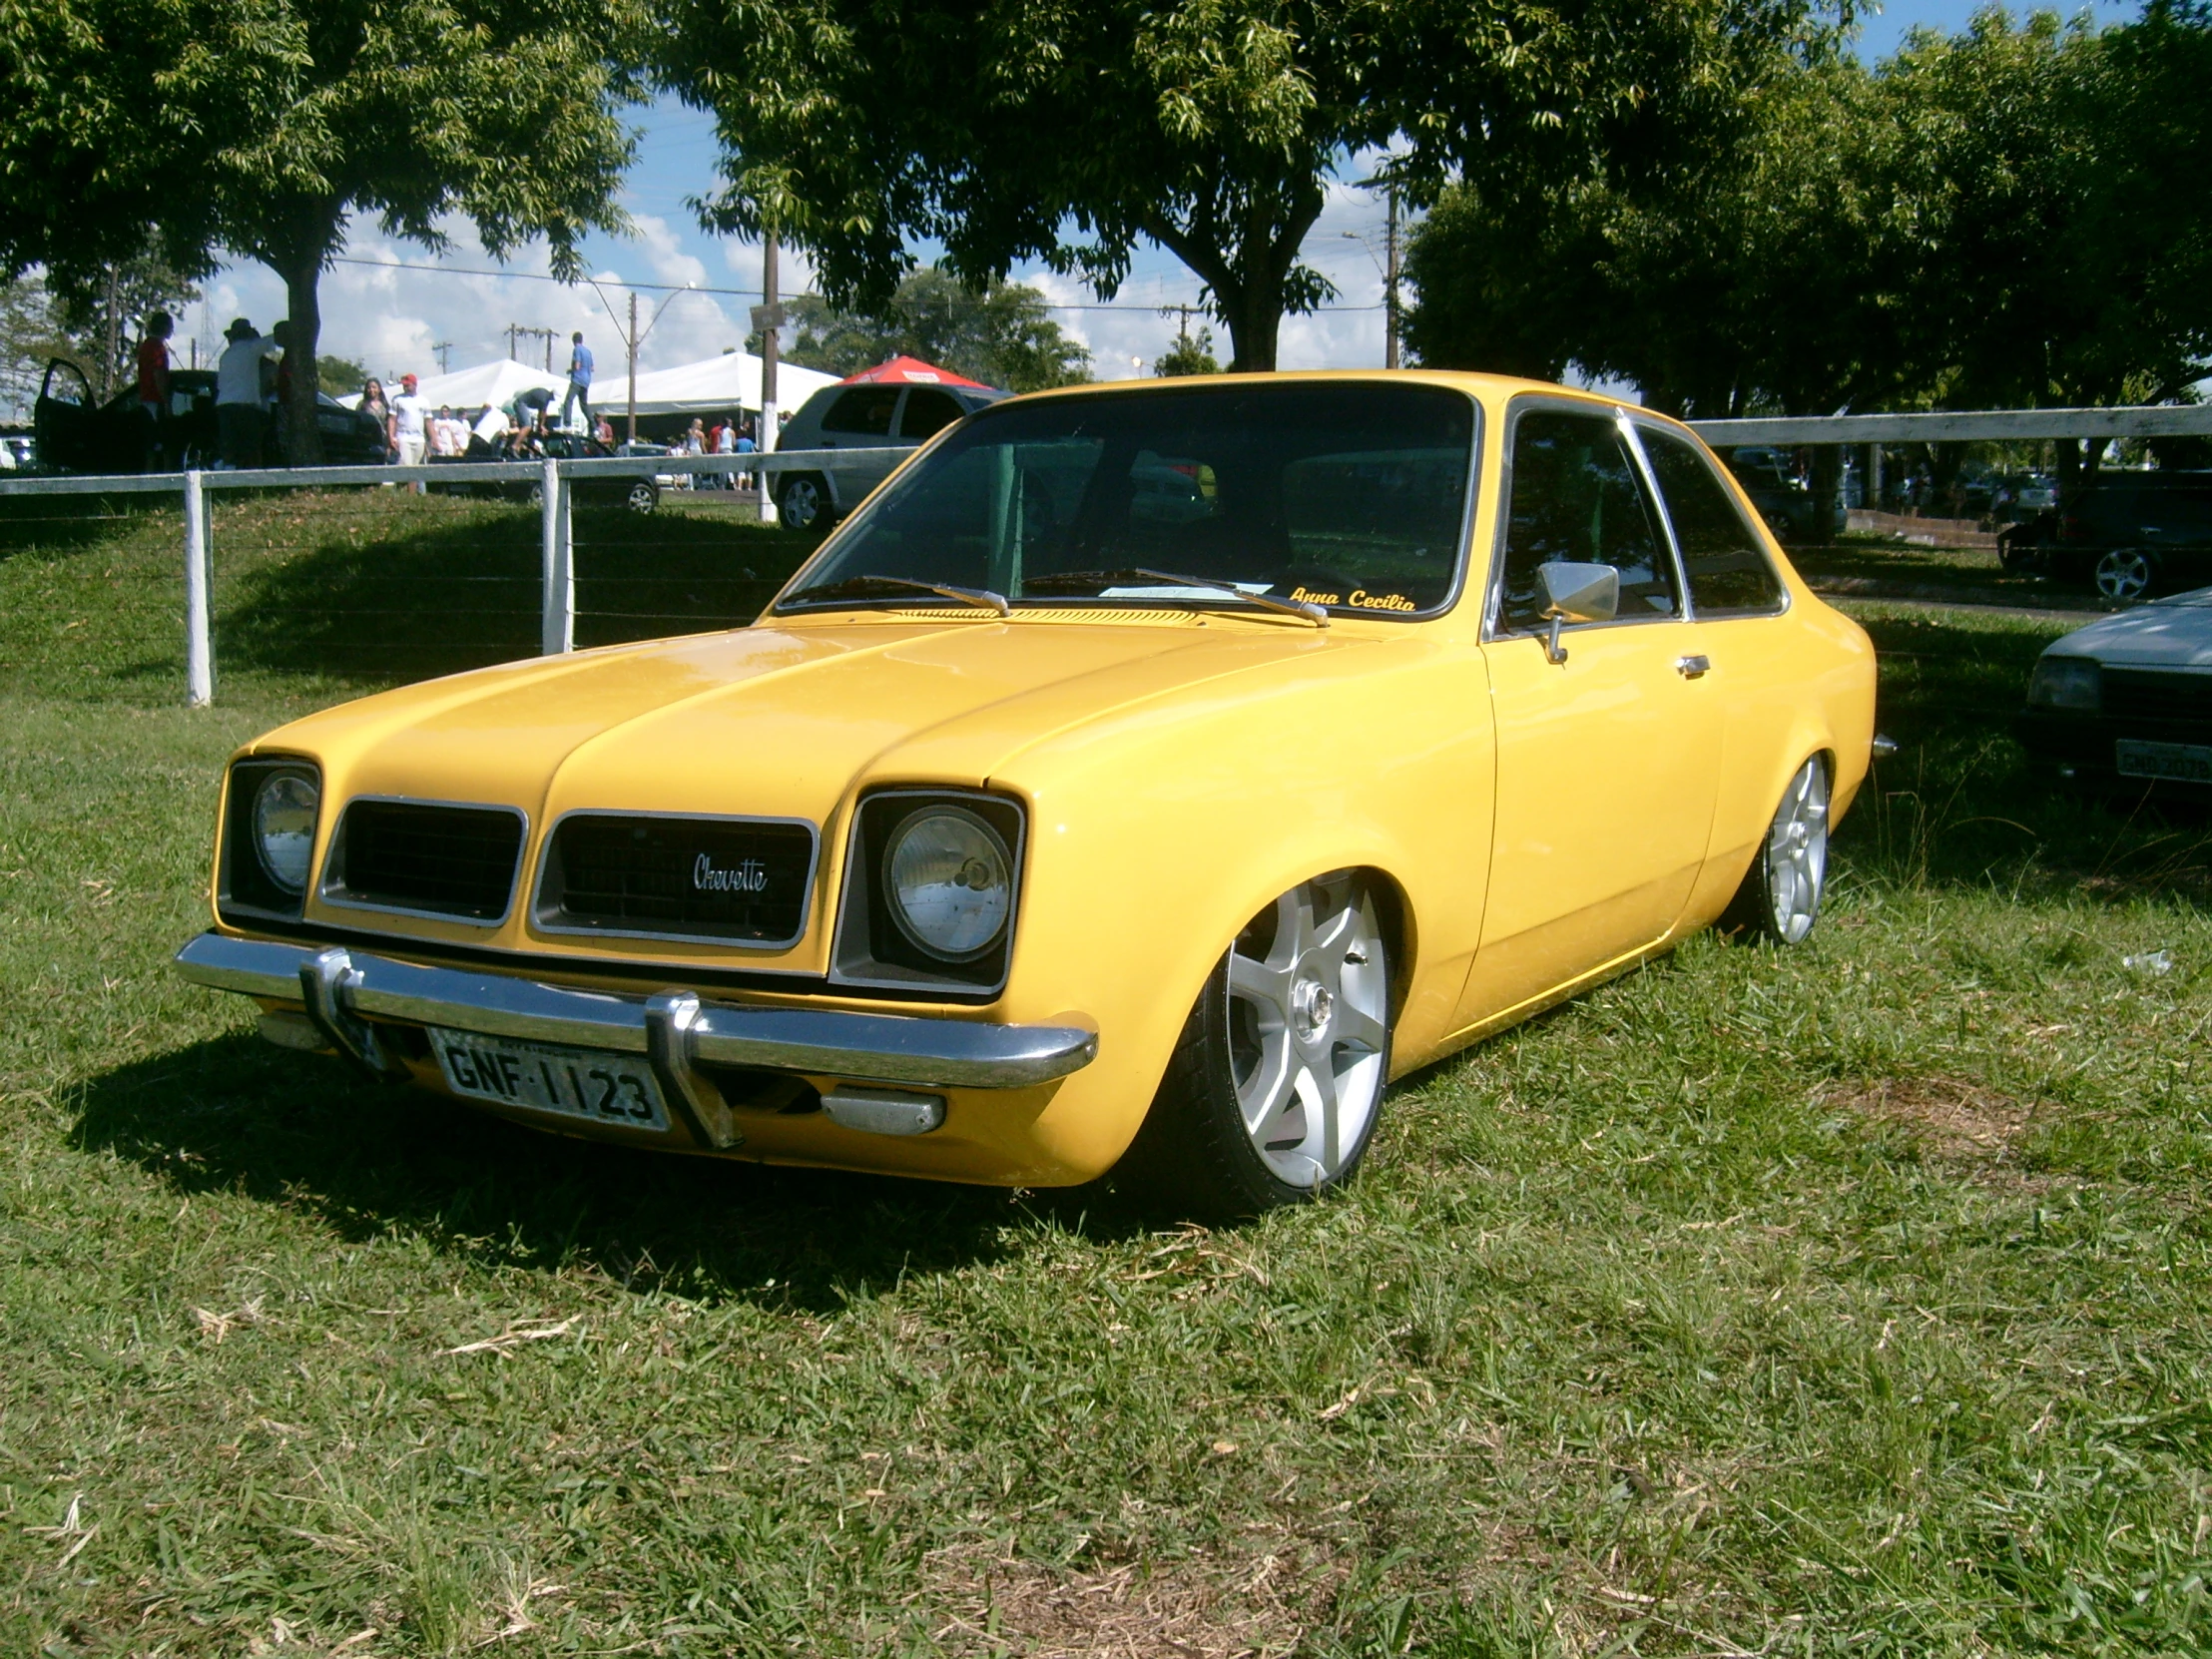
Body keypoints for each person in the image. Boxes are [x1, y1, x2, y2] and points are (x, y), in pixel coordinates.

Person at [215, 317, 280, 469]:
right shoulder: (251, 348)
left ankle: (226, 478)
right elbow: (274, 338)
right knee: (251, 448)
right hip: (245, 405)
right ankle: (252, 484)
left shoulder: (225, 355)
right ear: (248, 333)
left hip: (224, 405)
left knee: (229, 449)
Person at [135, 311, 174, 469]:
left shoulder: (146, 345)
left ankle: (150, 480)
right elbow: (159, 375)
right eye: (170, 327)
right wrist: (166, 402)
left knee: (151, 446)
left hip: (146, 399)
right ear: (163, 327)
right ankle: (163, 479)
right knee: (163, 444)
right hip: (155, 401)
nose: (171, 330)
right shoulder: (157, 347)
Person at [388, 371, 428, 489]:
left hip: (419, 438)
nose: (405, 387)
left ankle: (411, 496)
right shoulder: (397, 400)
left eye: (407, 384)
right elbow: (392, 419)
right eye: (404, 385)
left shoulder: (424, 401)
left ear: (414, 385)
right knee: (405, 465)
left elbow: (428, 421)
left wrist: (434, 439)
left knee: (415, 469)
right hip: (403, 437)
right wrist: (391, 436)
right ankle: (401, 491)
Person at [561, 332, 594, 431]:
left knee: (568, 401)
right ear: (581, 340)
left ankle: (567, 425)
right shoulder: (588, 352)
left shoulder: (577, 349)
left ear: (573, 341)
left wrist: (571, 370)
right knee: (584, 404)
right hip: (586, 381)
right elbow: (592, 368)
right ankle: (594, 425)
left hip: (577, 379)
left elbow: (577, 366)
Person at [359, 378, 394, 462]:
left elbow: (390, 423)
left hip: (384, 439)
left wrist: (390, 443)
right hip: (369, 439)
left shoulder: (385, 405)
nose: (371, 390)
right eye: (369, 388)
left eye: (374, 387)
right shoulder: (362, 405)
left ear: (379, 389)